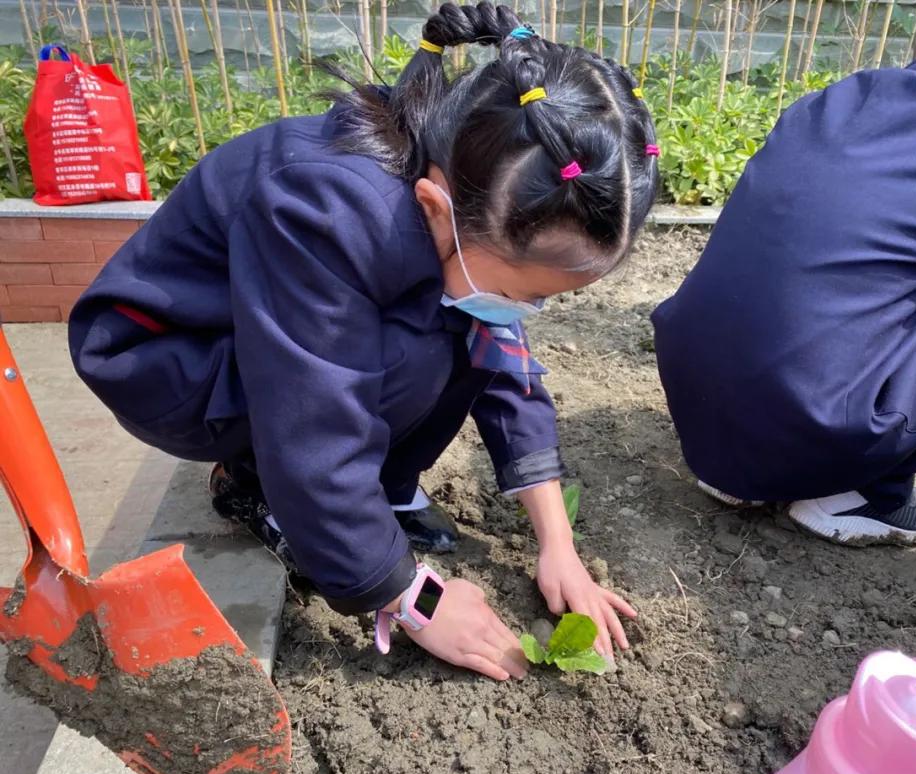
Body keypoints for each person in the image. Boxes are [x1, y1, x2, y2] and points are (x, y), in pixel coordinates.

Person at [68, 3, 660, 679]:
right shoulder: (323, 211)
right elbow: (313, 423)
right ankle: (257, 488)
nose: (533, 309)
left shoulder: (463, 180)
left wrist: (558, 544)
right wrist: (412, 597)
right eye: (529, 292)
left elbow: (506, 365)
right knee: (424, 347)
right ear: (439, 208)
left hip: (257, 331)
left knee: (471, 334)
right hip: (165, 358)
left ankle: (379, 491)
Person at [652, 0, 916, 547]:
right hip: (818, 430)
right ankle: (866, 495)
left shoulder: (823, 106)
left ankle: (741, 475)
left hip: (701, 413)